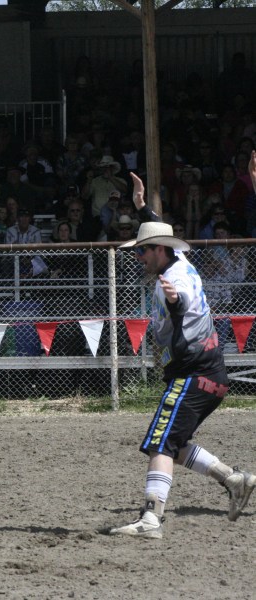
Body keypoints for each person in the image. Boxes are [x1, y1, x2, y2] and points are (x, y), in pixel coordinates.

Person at [109, 171, 256, 539]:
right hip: (208, 374)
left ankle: (151, 518)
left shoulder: (175, 280)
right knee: (173, 442)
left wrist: (175, 303)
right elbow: (159, 232)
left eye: (142, 250)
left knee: (160, 442)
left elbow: (183, 302)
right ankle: (233, 479)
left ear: (159, 250)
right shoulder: (181, 261)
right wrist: (142, 208)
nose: (139, 256)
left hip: (194, 374)